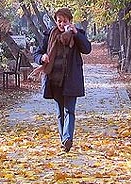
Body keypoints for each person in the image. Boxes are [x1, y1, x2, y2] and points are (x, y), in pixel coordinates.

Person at [32, 8, 91, 152]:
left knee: (69, 110)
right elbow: (37, 53)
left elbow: (87, 49)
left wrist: (76, 33)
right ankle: (63, 140)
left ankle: (67, 138)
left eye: (65, 21)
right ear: (55, 21)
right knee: (60, 112)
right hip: (55, 79)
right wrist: (42, 58)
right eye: (59, 21)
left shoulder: (77, 35)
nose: (61, 24)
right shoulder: (50, 35)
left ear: (70, 21)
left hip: (71, 78)